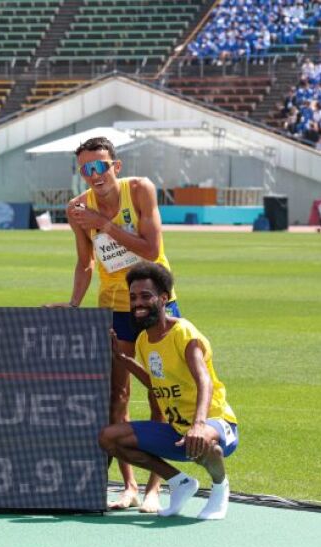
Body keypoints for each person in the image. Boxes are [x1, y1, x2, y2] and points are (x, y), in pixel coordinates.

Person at [49, 136, 181, 513]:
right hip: (113, 308)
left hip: (155, 304)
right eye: (85, 169)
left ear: (115, 167)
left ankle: (158, 488)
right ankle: (129, 486)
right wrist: (74, 304)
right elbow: (85, 263)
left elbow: (151, 251)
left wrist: (102, 223)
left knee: (161, 391)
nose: (94, 175)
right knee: (116, 396)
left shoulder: (139, 190)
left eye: (100, 166)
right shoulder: (77, 209)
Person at [99, 262, 238, 520]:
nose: (138, 303)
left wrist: (199, 424)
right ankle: (179, 482)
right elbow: (157, 384)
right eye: (133, 297)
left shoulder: (183, 332)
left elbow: (203, 381)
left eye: (145, 296)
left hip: (217, 424)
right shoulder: (143, 340)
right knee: (109, 437)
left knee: (207, 444)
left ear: (163, 299)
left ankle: (220, 487)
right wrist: (125, 361)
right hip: (178, 432)